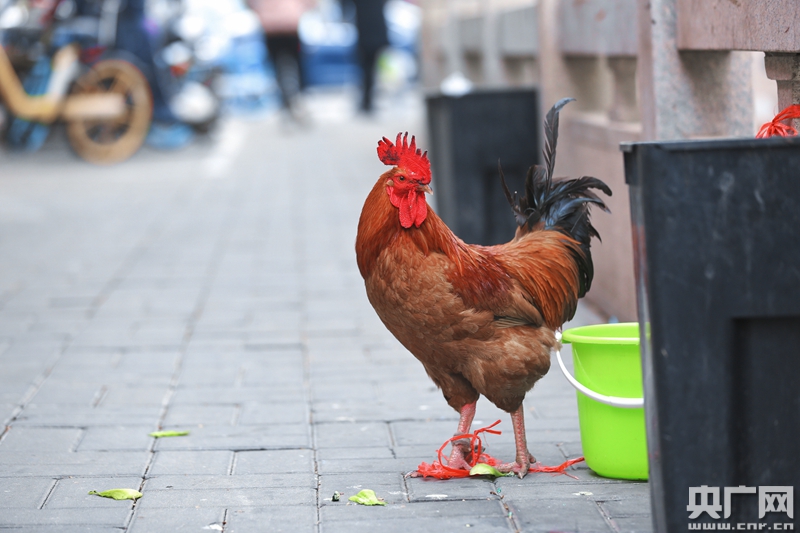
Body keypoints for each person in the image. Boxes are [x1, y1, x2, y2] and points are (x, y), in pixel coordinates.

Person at [247, 0, 315, 119]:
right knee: (297, 63)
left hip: (271, 25)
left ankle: (285, 100)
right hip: (290, 24)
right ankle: (296, 98)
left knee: (276, 65)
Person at [350, 0, 388, 113]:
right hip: (372, 38)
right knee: (369, 71)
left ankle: (366, 101)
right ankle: (367, 101)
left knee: (367, 71)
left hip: (365, 38)